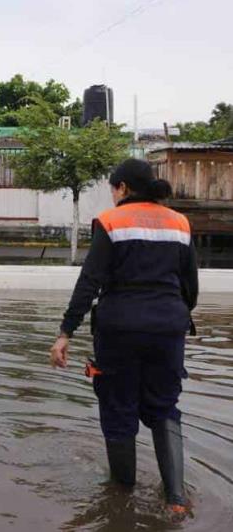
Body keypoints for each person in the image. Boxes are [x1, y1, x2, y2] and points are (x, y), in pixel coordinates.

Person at [49, 158, 198, 515]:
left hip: (120, 331)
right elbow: (190, 286)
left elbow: (90, 281)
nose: (112, 195)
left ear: (124, 188)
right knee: (164, 408)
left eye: (113, 188)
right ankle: (176, 501)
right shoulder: (179, 223)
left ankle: (121, 498)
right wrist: (174, 318)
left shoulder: (111, 221)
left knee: (118, 410)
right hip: (168, 329)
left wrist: (65, 331)